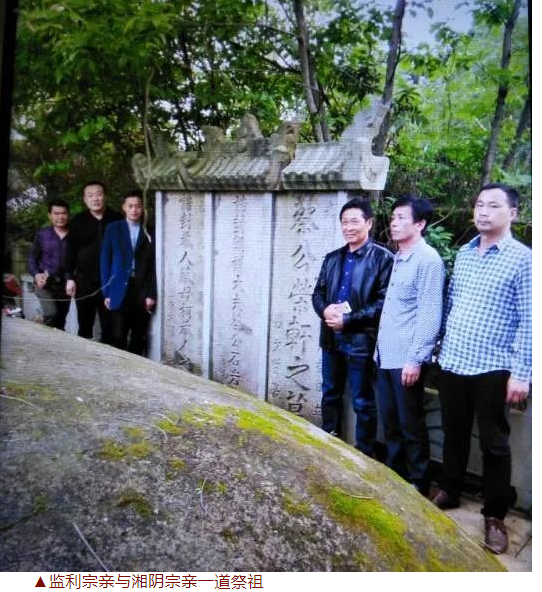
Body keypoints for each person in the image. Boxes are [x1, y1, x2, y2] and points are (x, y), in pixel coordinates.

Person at [431, 183, 531, 555]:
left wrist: (522, 373)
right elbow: (453, 303)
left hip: (494, 367)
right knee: (453, 432)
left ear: (513, 213)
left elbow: (530, 320)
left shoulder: (524, 260)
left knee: (495, 444)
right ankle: (450, 489)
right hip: (454, 360)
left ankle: (494, 516)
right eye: (479, 204)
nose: (483, 211)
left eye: (493, 206)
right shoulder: (464, 253)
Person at [312, 197, 393, 456]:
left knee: (362, 401)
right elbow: (318, 293)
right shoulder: (332, 258)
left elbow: (383, 303)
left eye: (354, 221)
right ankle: (329, 443)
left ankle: (364, 454)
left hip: (361, 340)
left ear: (369, 223)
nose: (348, 227)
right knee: (330, 393)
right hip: (331, 337)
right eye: (344, 222)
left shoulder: (383, 259)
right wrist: (325, 310)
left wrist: (349, 319)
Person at [375, 196, 445, 495]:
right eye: (393, 217)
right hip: (385, 355)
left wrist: (416, 359)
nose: (394, 223)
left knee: (410, 425)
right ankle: (395, 476)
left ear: (420, 224)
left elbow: (430, 314)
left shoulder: (428, 260)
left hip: (406, 359)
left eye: (402, 218)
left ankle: (419, 482)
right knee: (391, 423)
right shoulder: (398, 257)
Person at [64, 181, 122, 343]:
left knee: (109, 325)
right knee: (84, 324)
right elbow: (70, 251)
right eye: (90, 196)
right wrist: (69, 278)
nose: (95, 199)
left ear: (105, 196)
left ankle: (109, 356)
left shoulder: (117, 219)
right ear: (85, 199)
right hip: (84, 281)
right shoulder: (78, 221)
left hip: (110, 282)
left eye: (98, 194)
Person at [100, 191, 156, 355]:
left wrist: (151, 294)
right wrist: (107, 292)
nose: (134, 210)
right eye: (130, 206)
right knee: (118, 334)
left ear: (143, 208)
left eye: (138, 206)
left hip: (141, 287)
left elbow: (154, 266)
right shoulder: (113, 229)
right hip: (118, 287)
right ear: (123, 207)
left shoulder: (150, 230)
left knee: (138, 335)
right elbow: (105, 261)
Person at [28, 199, 71, 330]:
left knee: (60, 321)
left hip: (65, 285)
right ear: (49, 215)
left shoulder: (75, 235)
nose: (60, 217)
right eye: (56, 213)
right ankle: (44, 338)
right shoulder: (42, 234)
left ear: (68, 214)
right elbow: (32, 258)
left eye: (63, 213)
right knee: (51, 313)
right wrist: (36, 275)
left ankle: (56, 342)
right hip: (45, 283)